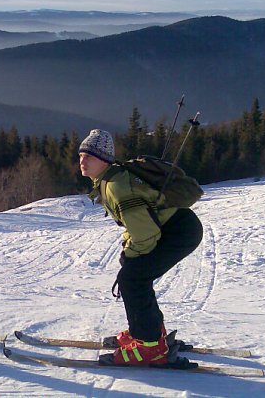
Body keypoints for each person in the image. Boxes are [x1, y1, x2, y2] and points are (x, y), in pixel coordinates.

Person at [78, 129, 203, 366]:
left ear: (104, 159)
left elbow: (145, 234)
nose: (82, 161)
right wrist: (129, 248)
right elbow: (136, 222)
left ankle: (150, 346)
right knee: (135, 275)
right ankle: (147, 332)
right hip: (175, 228)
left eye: (89, 156)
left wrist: (131, 254)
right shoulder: (110, 180)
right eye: (81, 155)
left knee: (132, 278)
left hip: (178, 232)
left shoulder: (116, 186)